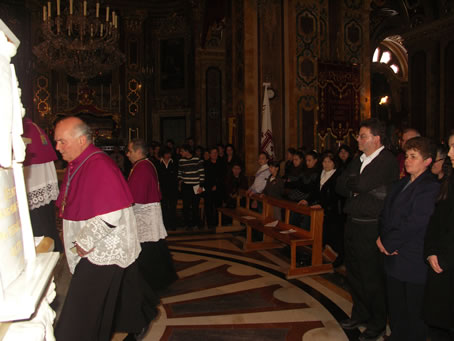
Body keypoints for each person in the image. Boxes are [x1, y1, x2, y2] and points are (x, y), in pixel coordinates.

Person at [53, 117, 155, 341]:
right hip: (93, 247)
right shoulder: (80, 161)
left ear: (81, 140)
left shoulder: (97, 163)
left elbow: (111, 213)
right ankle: (139, 321)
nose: (57, 147)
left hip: (99, 248)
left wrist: (85, 241)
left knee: (80, 312)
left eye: (62, 141)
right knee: (107, 301)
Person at [336, 118, 399, 341]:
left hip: (371, 226)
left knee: (372, 277)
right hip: (352, 223)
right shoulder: (359, 159)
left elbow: (358, 185)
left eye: (362, 136)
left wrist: (357, 185)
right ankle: (360, 313)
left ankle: (377, 322)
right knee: (354, 273)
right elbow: (339, 185)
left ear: (376, 138)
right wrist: (358, 185)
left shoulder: (386, 160)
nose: (358, 140)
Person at [377, 137, 439, 341]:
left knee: (414, 311)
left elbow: (415, 222)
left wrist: (389, 243)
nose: (408, 160)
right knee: (396, 308)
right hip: (392, 255)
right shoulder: (400, 183)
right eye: (407, 156)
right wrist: (383, 238)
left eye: (414, 157)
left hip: (411, 257)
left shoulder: (429, 187)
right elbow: (385, 213)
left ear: (427, 161)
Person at [126, 139, 178, 292]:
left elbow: (137, 197)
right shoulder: (144, 165)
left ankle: (154, 281)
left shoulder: (142, 168)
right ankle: (164, 277)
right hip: (148, 211)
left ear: (138, 151)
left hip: (144, 214)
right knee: (155, 246)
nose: (127, 154)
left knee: (150, 248)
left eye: (129, 151)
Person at [423, 131, 454, 341]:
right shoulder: (449, 181)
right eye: (450, 146)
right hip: (441, 260)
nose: (450, 152)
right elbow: (437, 219)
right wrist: (431, 250)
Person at [22, 117, 63, 251]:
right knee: (47, 220)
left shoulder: (23, 129)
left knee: (38, 226)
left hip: (32, 182)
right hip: (41, 182)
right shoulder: (33, 126)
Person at [302, 151, 344, 267]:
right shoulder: (321, 173)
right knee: (322, 236)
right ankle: (324, 258)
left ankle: (337, 260)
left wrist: (322, 206)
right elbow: (315, 191)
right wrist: (307, 200)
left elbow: (336, 197)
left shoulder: (338, 176)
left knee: (334, 237)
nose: (326, 164)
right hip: (322, 212)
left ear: (334, 163)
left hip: (334, 212)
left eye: (329, 162)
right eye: (324, 162)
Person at [178, 144, 205, 229]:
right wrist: (180, 183)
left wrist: (201, 186)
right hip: (186, 186)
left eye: (182, 151)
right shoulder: (181, 160)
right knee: (186, 206)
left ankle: (196, 223)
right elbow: (180, 173)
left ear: (186, 151)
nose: (180, 153)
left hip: (196, 185)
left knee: (195, 206)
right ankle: (187, 224)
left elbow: (202, 173)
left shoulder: (197, 159)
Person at [156, 146, 179, 230]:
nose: (168, 155)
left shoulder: (174, 162)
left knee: (173, 207)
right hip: (162, 189)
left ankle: (173, 225)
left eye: (169, 153)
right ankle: (165, 225)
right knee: (164, 208)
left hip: (173, 189)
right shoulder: (158, 163)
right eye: (166, 153)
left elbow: (177, 175)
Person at [204, 147, 226, 229]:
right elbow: (204, 177)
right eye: (213, 153)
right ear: (209, 154)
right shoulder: (205, 164)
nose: (215, 154)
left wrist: (216, 185)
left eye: (216, 153)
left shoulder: (221, 163)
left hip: (218, 188)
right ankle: (210, 223)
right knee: (208, 206)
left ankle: (217, 222)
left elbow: (223, 176)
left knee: (218, 206)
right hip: (208, 188)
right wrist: (210, 186)